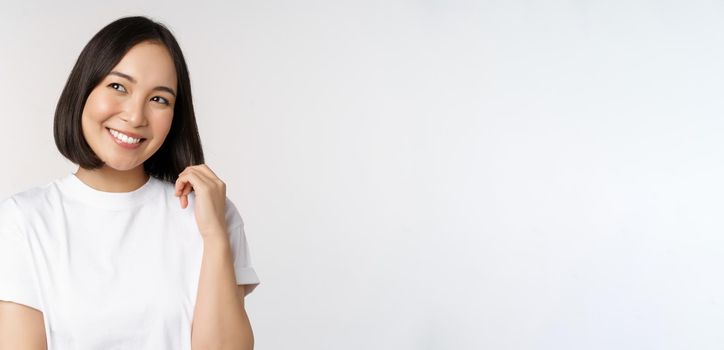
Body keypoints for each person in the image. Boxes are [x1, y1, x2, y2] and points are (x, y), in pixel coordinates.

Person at [0, 16, 260, 349]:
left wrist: (214, 236)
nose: (136, 116)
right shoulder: (21, 222)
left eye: (159, 99)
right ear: (84, 89)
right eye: (118, 86)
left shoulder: (212, 215)